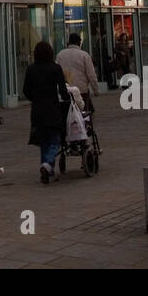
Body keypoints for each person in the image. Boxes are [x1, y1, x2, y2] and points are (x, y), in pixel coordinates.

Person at [22, 42, 68, 185]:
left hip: (37, 110)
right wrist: (66, 99)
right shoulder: (55, 68)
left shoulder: (31, 69)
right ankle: (47, 164)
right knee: (55, 139)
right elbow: (62, 89)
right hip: (53, 108)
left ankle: (48, 172)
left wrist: (34, 98)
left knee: (43, 142)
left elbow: (25, 90)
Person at [56, 33, 100, 112]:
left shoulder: (60, 55)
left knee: (68, 114)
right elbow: (91, 75)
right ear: (79, 42)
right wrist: (95, 90)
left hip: (66, 90)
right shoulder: (84, 55)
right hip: (82, 90)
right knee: (83, 115)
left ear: (69, 42)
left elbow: (56, 72)